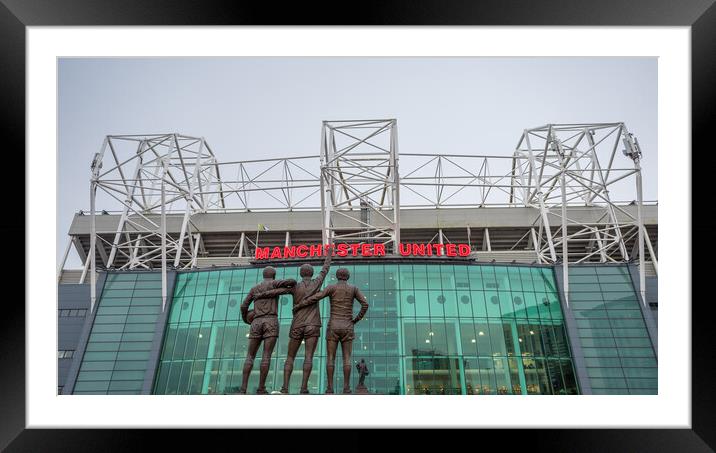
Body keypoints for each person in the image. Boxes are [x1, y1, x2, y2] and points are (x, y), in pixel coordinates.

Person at [253, 252, 332, 394]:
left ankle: (285, 388)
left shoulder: (295, 287)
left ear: (301, 274)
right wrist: (330, 253)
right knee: (309, 356)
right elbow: (325, 269)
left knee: (290, 356)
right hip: (313, 325)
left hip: (297, 324)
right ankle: (304, 388)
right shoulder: (316, 283)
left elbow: (277, 291)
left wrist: (260, 295)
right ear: (311, 273)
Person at [297, 268, 368, 394]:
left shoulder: (331, 288)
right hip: (347, 326)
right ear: (348, 276)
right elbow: (365, 304)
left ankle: (330, 388)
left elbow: (316, 297)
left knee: (330, 358)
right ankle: (346, 388)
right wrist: (355, 320)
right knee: (347, 358)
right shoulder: (353, 289)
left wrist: (301, 303)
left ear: (337, 276)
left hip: (333, 325)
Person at [238, 266, 296, 394]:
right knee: (266, 355)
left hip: (256, 322)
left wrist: (246, 319)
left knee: (249, 356)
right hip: (271, 321)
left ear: (264, 275)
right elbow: (292, 281)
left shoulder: (254, 288)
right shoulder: (274, 283)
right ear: (273, 276)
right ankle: (261, 388)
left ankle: (243, 389)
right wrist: (280, 288)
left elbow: (243, 305)